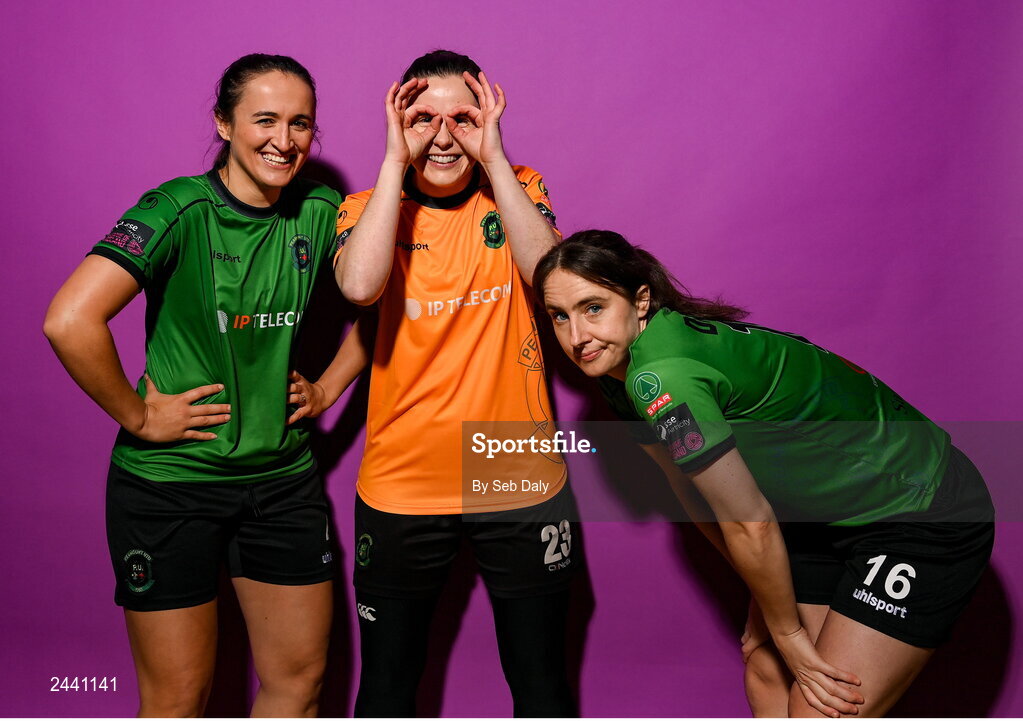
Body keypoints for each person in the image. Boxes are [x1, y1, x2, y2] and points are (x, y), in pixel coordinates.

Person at [535, 229, 995, 718]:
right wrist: (767, 602)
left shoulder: (662, 377)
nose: (577, 336)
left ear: (640, 299)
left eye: (593, 308)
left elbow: (748, 520)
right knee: (768, 671)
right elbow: (688, 492)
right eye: (559, 317)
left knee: (823, 707)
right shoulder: (617, 370)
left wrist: (789, 631)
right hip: (817, 518)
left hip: (918, 510)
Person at [43, 54, 365, 717]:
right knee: (178, 698)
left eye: (300, 122)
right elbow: (70, 320)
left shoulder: (321, 209)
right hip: (171, 485)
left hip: (282, 480)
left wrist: (331, 385)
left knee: (299, 686)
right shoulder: (177, 208)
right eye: (265, 119)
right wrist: (137, 417)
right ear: (224, 122)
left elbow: (382, 300)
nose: (284, 139)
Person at [333, 50, 579, 716]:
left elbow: (548, 276)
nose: (442, 137)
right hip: (403, 480)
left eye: (462, 118)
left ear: (489, 120)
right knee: (385, 689)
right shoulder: (362, 207)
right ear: (395, 121)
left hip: (515, 474)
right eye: (422, 119)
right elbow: (359, 285)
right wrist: (392, 162)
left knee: (542, 688)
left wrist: (494, 159)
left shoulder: (518, 186)